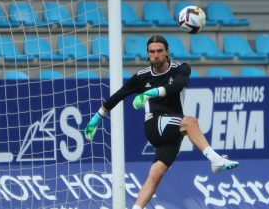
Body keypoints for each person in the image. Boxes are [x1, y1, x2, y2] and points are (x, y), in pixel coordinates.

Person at [84, 35, 239, 209]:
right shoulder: (142, 77)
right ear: (147, 54)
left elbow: (176, 87)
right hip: (155, 124)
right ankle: (216, 160)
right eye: (152, 52)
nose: (156, 55)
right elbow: (119, 95)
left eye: (159, 51)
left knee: (156, 174)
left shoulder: (181, 68)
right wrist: (96, 118)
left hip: (173, 129)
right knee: (190, 122)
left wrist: (149, 93)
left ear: (167, 52)